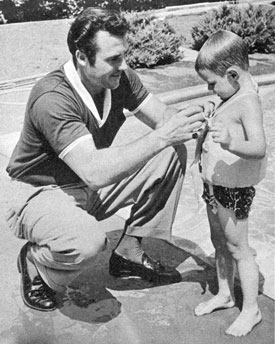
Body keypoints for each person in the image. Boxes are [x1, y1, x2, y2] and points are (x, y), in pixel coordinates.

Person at [5, 7, 209, 312]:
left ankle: (129, 250)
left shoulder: (120, 78)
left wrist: (200, 119)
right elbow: (95, 172)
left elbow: (164, 118)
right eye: (113, 59)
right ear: (82, 57)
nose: (123, 65)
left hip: (84, 184)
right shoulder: (52, 97)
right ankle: (37, 262)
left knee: (170, 151)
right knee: (88, 243)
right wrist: (166, 133)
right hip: (38, 193)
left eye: (123, 55)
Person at [192, 30, 267, 337]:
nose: (210, 89)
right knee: (219, 242)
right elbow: (227, 102)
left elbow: (259, 147)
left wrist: (231, 141)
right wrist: (214, 107)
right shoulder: (234, 91)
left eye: (213, 83)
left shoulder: (248, 101)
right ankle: (225, 293)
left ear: (233, 74)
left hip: (233, 191)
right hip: (215, 186)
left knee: (239, 248)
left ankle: (252, 309)